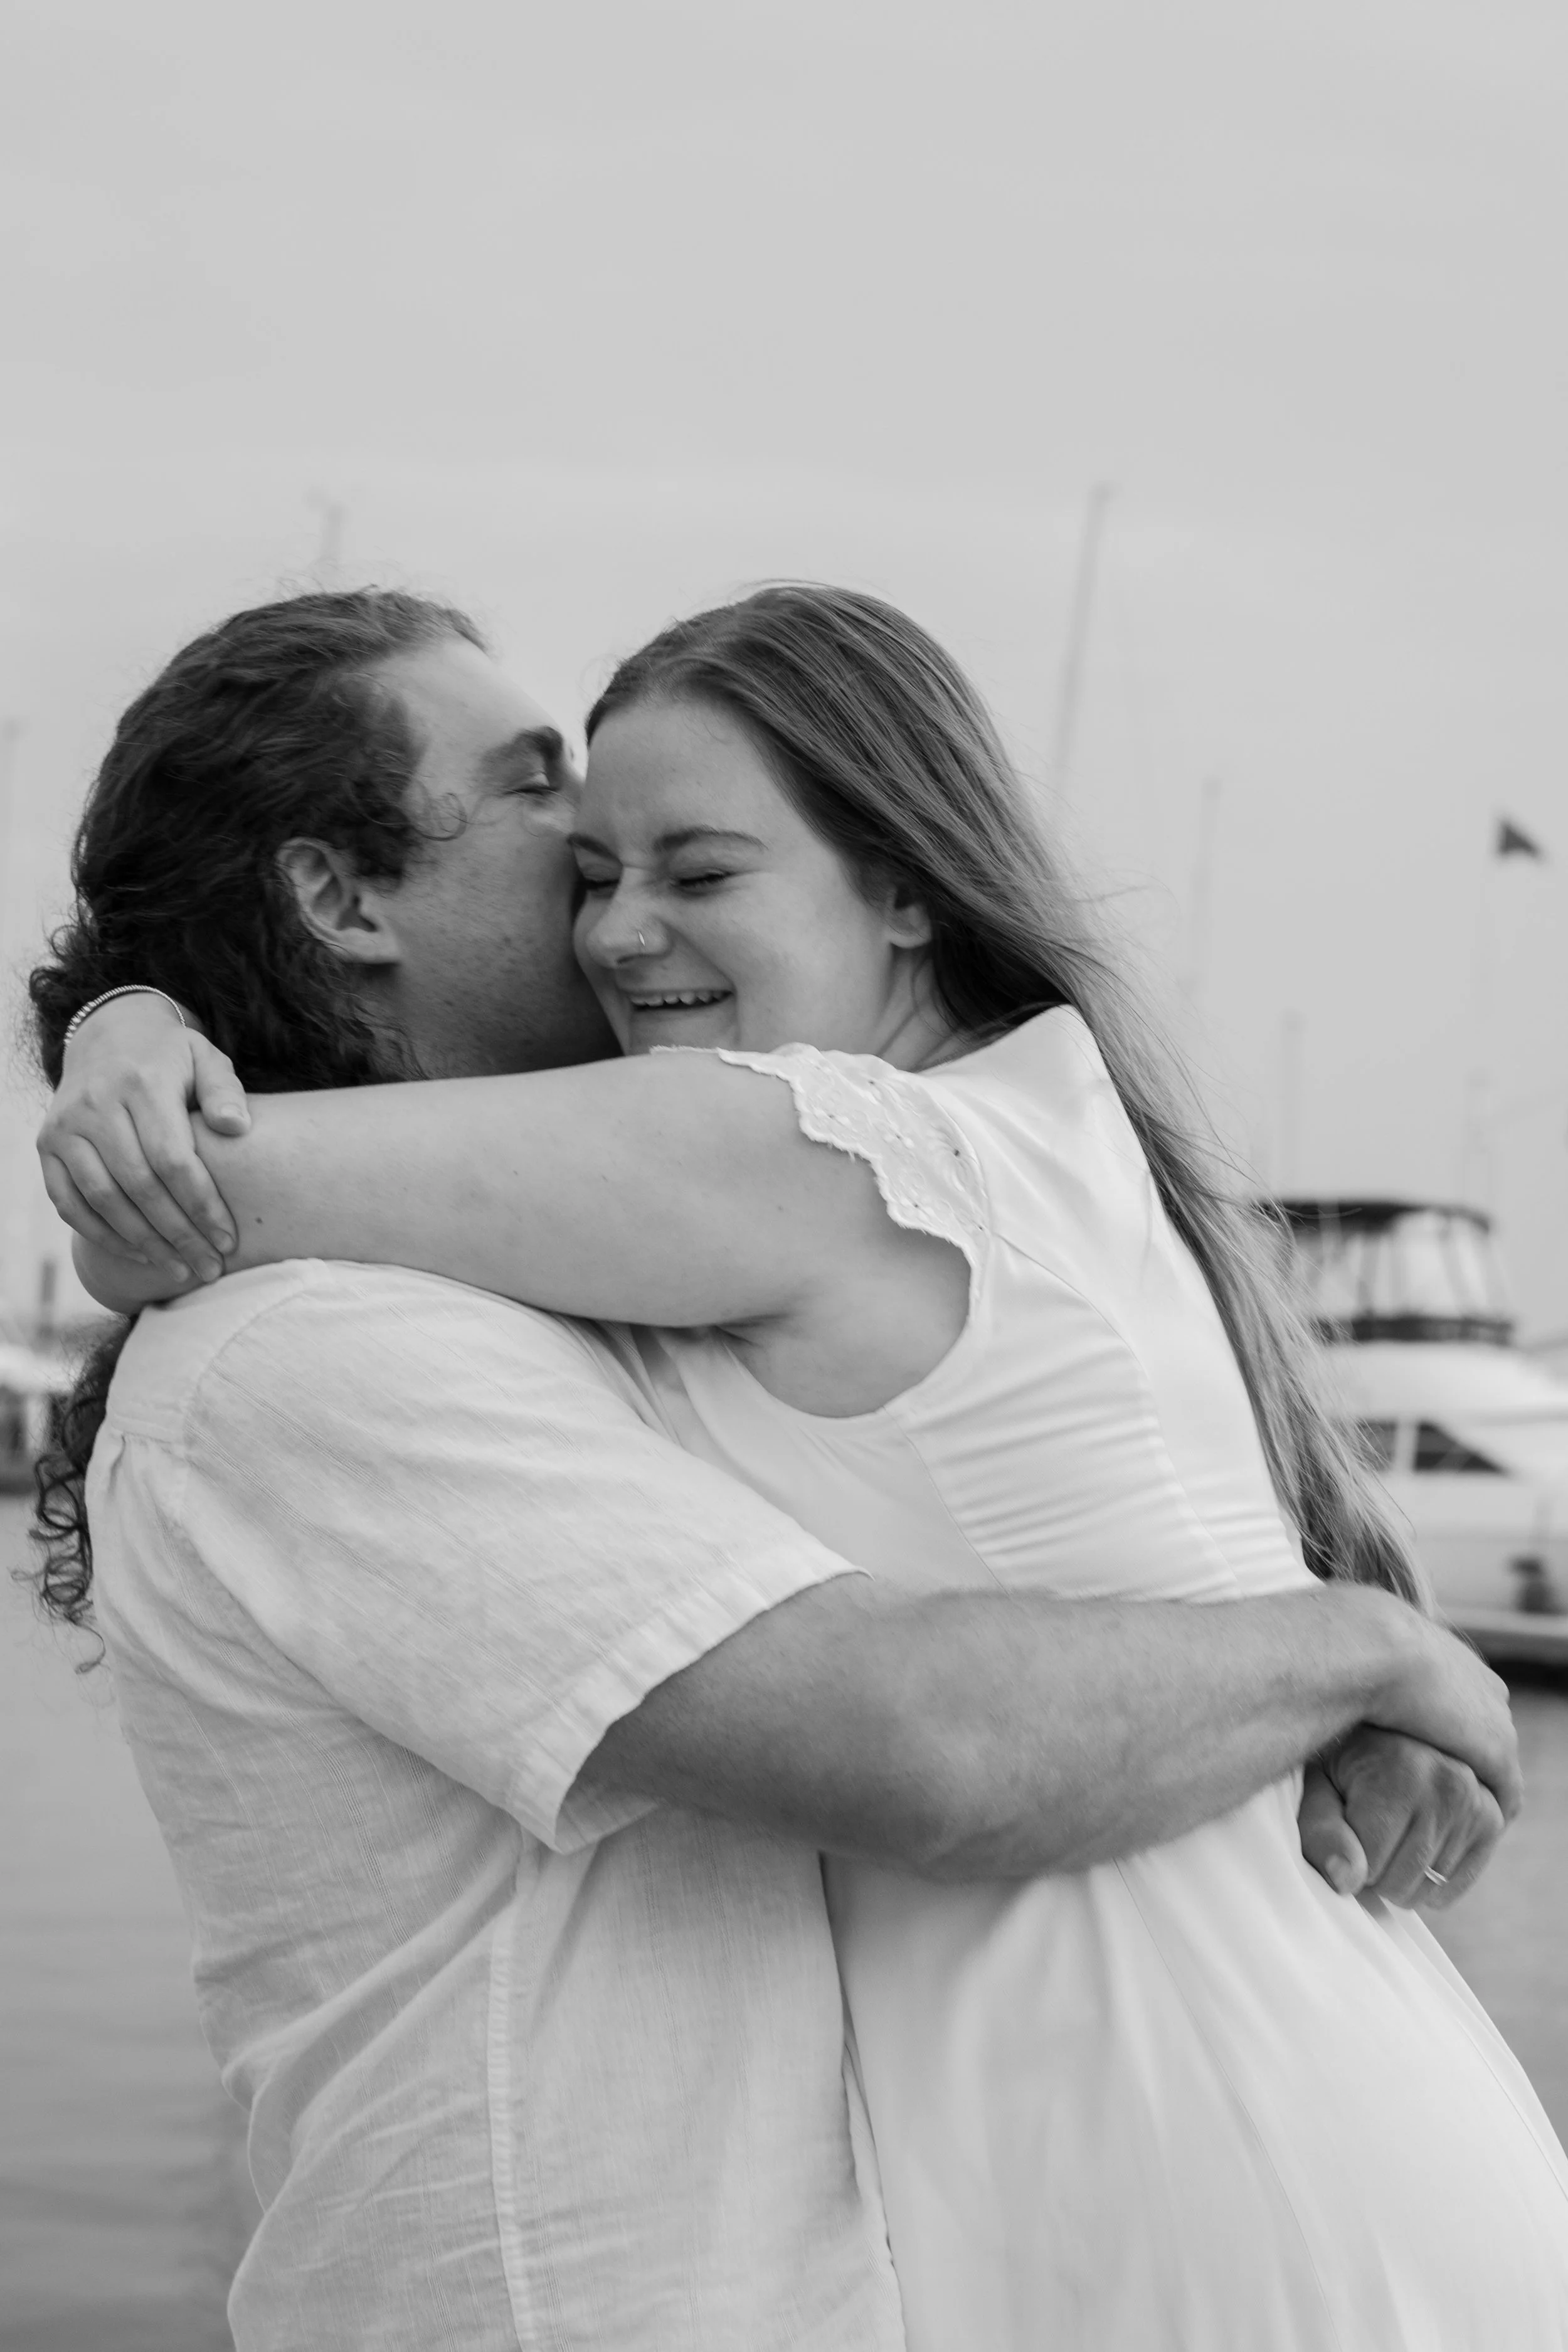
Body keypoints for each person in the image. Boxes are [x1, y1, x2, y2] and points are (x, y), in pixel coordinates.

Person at [34, 588, 1525, 2352]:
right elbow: (922, 1740)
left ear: (901, 884)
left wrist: (115, 1048)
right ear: (338, 898)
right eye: (565, 829)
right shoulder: (331, 1339)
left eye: (692, 864)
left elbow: (176, 1205)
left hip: (1180, 2118)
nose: (612, 912)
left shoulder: (782, 1157)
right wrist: (1351, 1647)